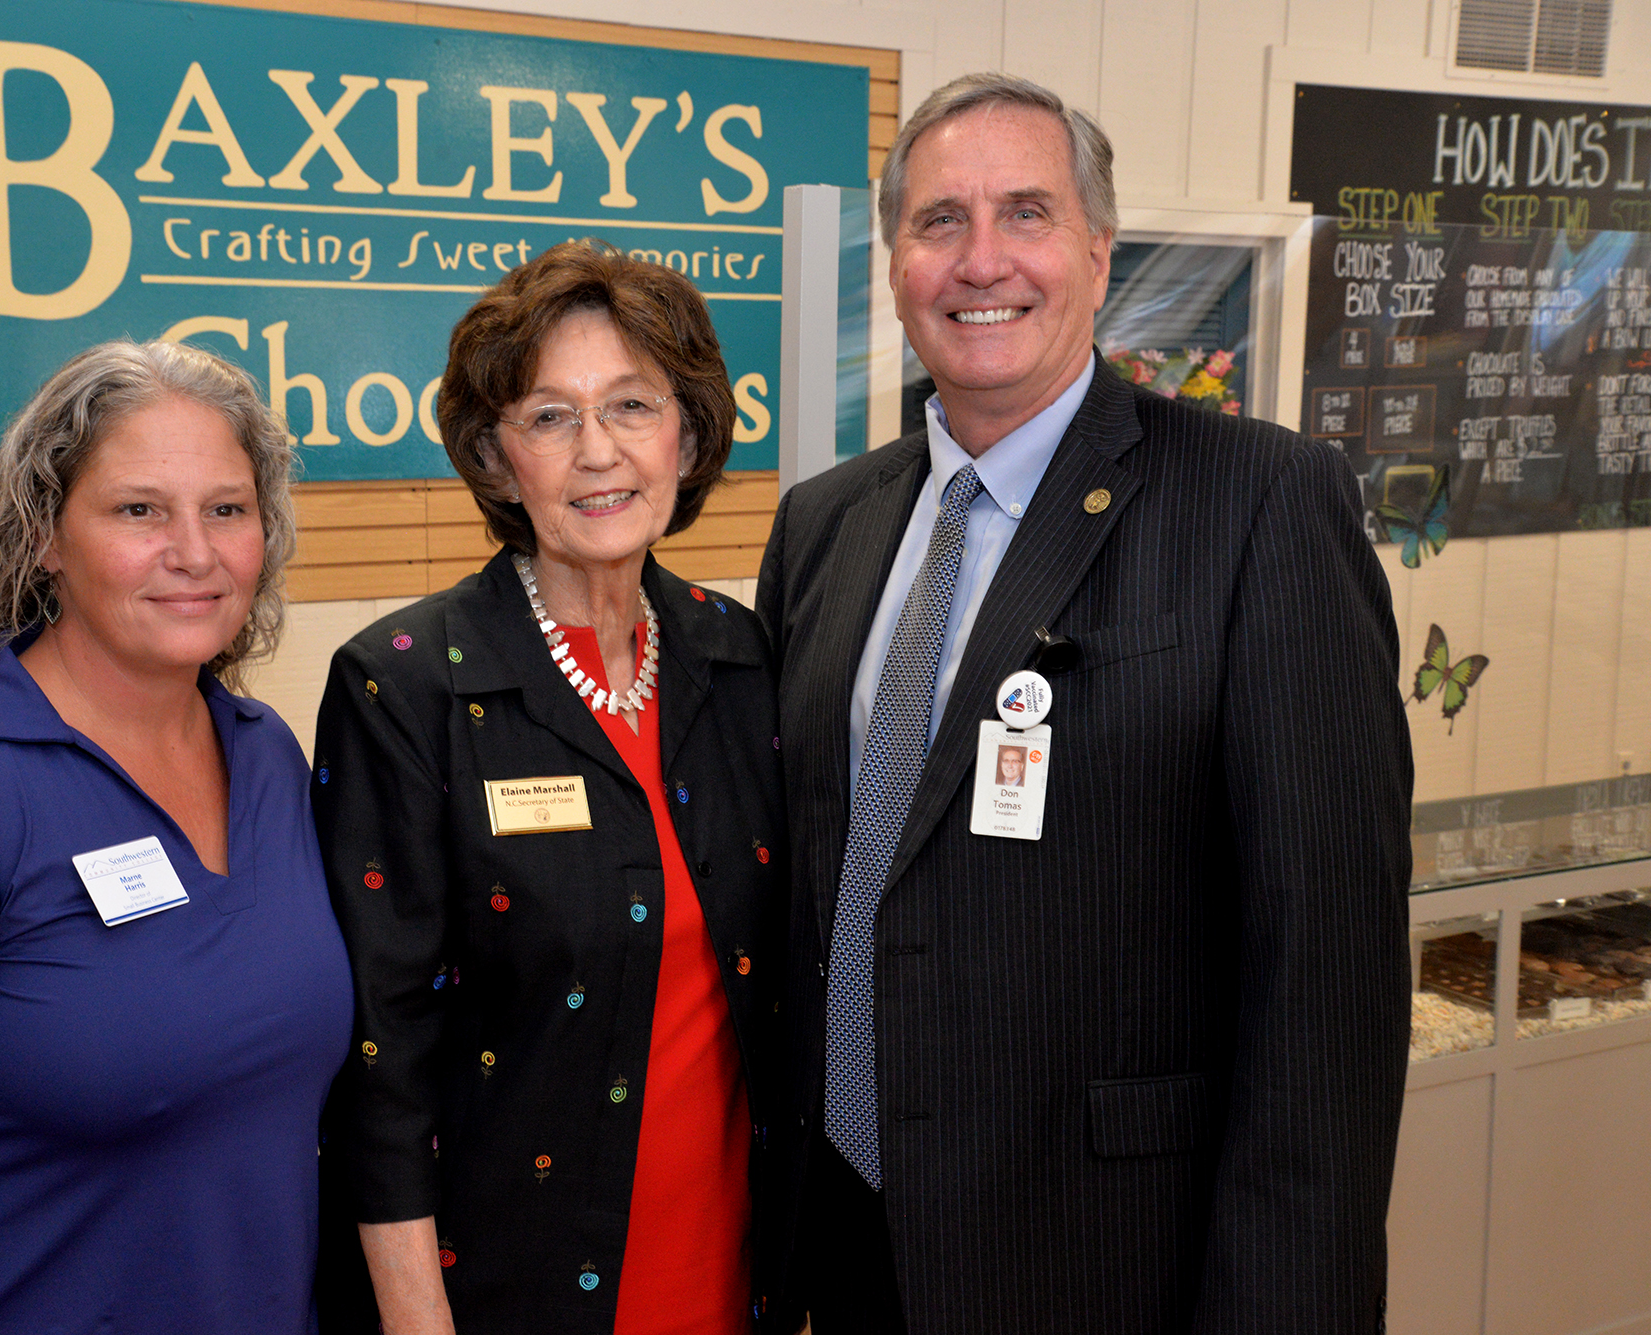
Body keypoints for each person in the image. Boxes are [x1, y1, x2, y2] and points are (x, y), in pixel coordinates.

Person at [756, 73, 1413, 1333]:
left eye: (1025, 213)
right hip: (839, 1238)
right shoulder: (822, 524)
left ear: (1098, 252)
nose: (979, 259)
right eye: (938, 220)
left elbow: (1324, 979)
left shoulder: (1259, 504)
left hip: (1108, 1259)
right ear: (893, 261)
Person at [0, 340, 354, 1335]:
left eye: (226, 509)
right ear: (45, 534)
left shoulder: (264, 756)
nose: (195, 552)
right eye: (138, 510)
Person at [311, 242, 787, 1335]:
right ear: (494, 456)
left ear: (690, 430)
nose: (599, 452)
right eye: (549, 416)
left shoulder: (740, 655)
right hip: (505, 1283)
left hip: (730, 1267)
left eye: (631, 404)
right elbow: (377, 1058)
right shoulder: (407, 684)